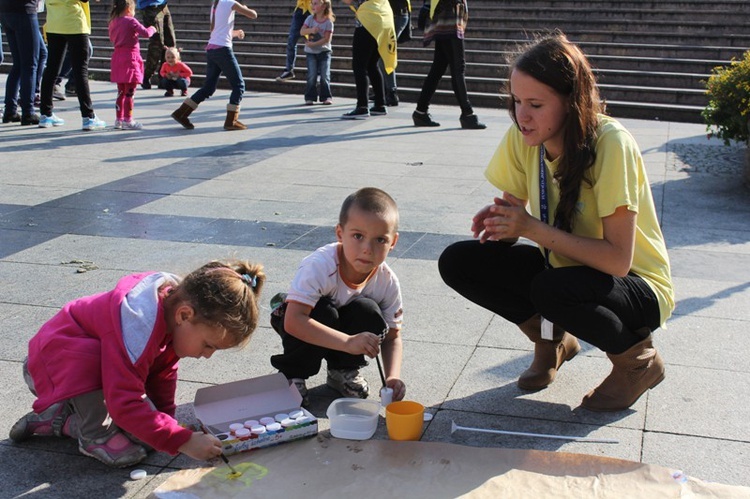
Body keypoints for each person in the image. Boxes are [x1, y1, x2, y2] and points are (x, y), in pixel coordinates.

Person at [438, 32, 675, 412]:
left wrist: (530, 227)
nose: (521, 116)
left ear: (571, 103)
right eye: (516, 101)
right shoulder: (525, 136)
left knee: (551, 288)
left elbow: (618, 260)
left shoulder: (611, 143)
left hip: (636, 285)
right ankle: (552, 340)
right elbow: (517, 212)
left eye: (535, 104)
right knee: (459, 262)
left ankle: (638, 364)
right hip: (565, 271)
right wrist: (502, 222)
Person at [9, 259, 267, 468]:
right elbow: (125, 402)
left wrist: (166, 421)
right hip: (48, 365)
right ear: (184, 315)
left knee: (141, 427)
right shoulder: (138, 326)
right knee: (95, 367)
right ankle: (91, 433)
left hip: (78, 365)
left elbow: (163, 372)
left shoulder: (172, 313)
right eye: (208, 345)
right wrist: (180, 440)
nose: (207, 355)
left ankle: (60, 414)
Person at [270, 187, 405, 407]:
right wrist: (348, 342)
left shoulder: (387, 281)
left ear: (393, 242)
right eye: (358, 236)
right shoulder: (319, 266)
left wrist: (392, 377)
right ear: (340, 234)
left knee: (368, 311)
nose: (367, 249)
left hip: (343, 324)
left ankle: (342, 370)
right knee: (323, 311)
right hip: (297, 317)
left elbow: (392, 337)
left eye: (380, 240)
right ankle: (291, 375)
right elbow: (294, 321)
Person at [170, 0, 257, 131]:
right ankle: (231, 121)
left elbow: (214, 30)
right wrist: (244, 7)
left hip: (212, 49)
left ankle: (181, 113)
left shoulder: (215, 4)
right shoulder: (230, 3)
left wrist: (236, 32)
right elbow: (253, 15)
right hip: (223, 50)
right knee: (239, 85)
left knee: (208, 88)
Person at [412, 0, 485, 129]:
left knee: (438, 68)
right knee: (458, 68)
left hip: (444, 18)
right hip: (449, 18)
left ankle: (420, 111)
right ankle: (467, 114)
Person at [38, 0, 107, 131]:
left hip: (54, 22)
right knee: (80, 71)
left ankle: (45, 114)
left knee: (51, 69)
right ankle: (88, 116)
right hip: (74, 22)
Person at [340, 0, 395, 119]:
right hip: (384, 18)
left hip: (369, 20)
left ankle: (362, 107)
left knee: (359, 65)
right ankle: (380, 104)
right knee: (372, 64)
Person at [109, 0, 157, 130]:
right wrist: (153, 28)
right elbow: (146, 33)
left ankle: (119, 119)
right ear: (129, 9)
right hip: (130, 58)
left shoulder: (113, 22)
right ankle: (128, 120)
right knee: (130, 92)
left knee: (121, 92)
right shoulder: (131, 21)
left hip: (118, 57)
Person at [0, 0, 42, 125]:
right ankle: (28, 112)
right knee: (30, 64)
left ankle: (10, 110)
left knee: (18, 64)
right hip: (24, 10)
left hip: (5, 10)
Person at [300, 0, 334, 105]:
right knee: (312, 75)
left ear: (323, 6)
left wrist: (313, 44)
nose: (312, 6)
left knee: (325, 75)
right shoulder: (310, 19)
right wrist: (311, 30)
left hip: (324, 52)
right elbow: (302, 31)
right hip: (311, 52)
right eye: (312, 3)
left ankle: (326, 96)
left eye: (315, 3)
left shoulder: (328, 21)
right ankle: (310, 96)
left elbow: (327, 39)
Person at [136, 0, 176, 89]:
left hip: (163, 5)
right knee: (157, 43)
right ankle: (146, 76)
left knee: (170, 43)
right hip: (150, 6)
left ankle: (164, 77)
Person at [381, 0, 410, 106]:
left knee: (385, 55)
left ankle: (391, 92)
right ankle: (383, 90)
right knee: (381, 55)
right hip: (390, 15)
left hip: (396, 16)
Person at [275, 0, 312, 82]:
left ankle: (318, 71)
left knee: (314, 40)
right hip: (300, 8)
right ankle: (289, 70)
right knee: (291, 40)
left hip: (314, 7)